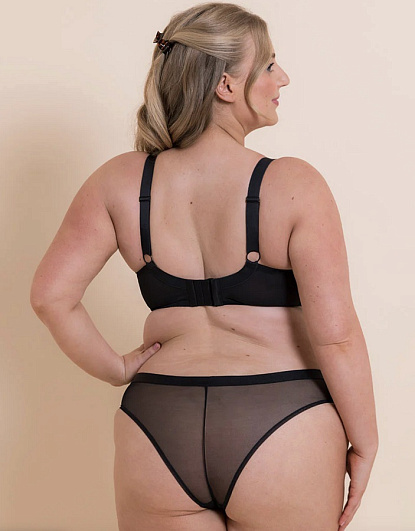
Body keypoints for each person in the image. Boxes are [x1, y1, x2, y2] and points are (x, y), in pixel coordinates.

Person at [30, 2, 379, 530]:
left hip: (156, 426)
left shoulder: (119, 182)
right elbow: (337, 336)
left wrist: (116, 369)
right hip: (282, 419)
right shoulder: (294, 185)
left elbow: (50, 296)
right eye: (269, 64)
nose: (283, 77)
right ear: (226, 85)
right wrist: (365, 441)